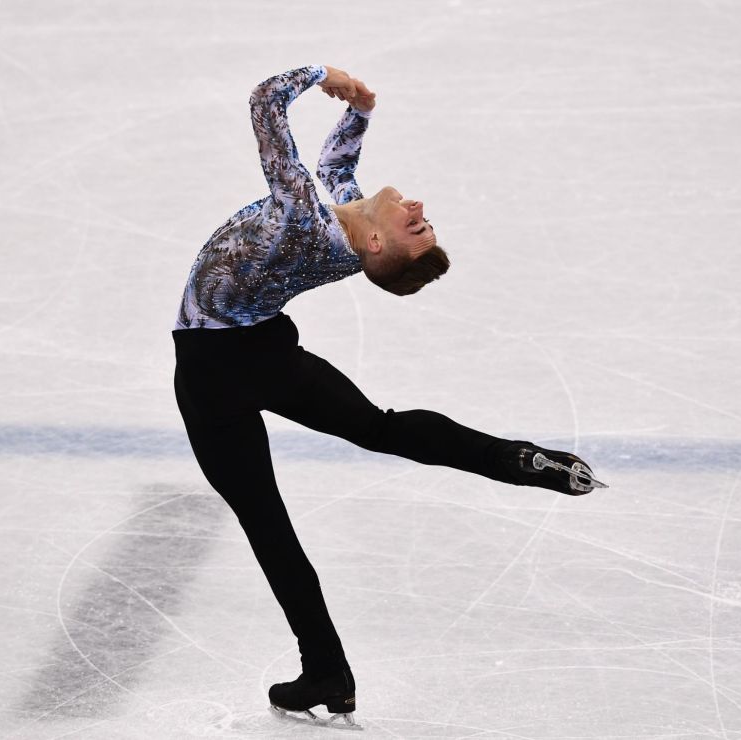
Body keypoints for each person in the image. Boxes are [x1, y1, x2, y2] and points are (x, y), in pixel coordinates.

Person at [171, 65, 603, 728]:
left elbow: (264, 103)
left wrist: (319, 74)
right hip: (266, 352)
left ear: (377, 243)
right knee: (379, 427)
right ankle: (520, 460)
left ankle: (327, 670)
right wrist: (361, 111)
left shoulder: (299, 218)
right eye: (424, 225)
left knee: (268, 526)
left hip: (210, 368)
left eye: (415, 229)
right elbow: (337, 167)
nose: (418, 212)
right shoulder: (348, 230)